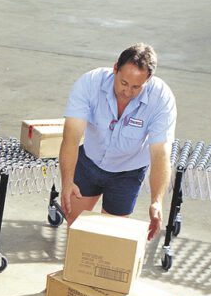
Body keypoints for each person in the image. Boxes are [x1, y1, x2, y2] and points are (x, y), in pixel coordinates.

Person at [59, 44, 177, 241]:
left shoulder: (162, 99)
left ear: (149, 80)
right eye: (123, 83)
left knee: (109, 238)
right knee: (75, 227)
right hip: (90, 161)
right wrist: (67, 181)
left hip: (127, 173)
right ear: (115, 68)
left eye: (136, 86)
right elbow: (71, 137)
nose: (128, 92)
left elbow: (160, 153)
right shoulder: (90, 83)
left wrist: (156, 201)